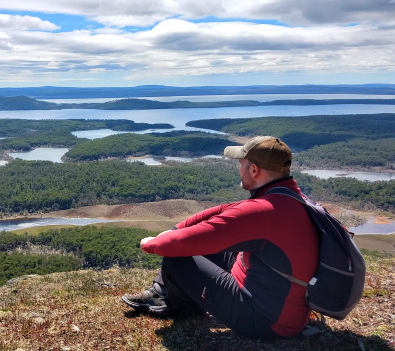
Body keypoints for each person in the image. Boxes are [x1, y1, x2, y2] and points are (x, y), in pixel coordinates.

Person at [122, 136, 319, 339]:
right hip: (285, 310)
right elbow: (227, 209)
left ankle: (180, 308)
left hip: (266, 321)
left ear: (253, 170)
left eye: (241, 163)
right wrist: (177, 227)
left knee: (177, 258)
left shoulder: (263, 211)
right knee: (213, 246)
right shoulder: (291, 198)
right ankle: (161, 290)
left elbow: (172, 245)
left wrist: (150, 243)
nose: (239, 168)